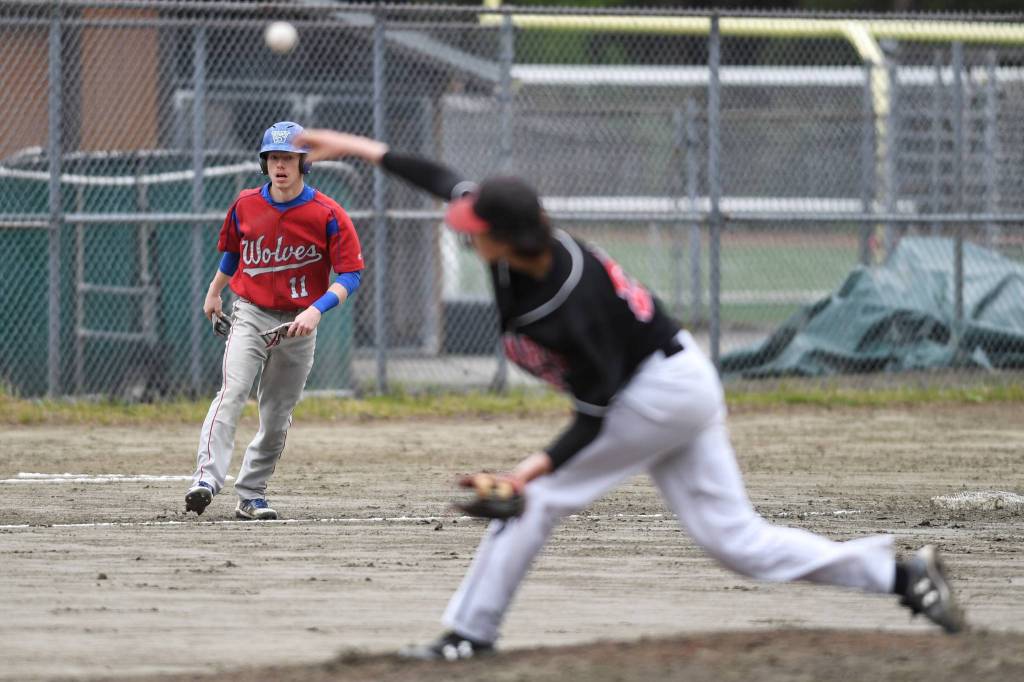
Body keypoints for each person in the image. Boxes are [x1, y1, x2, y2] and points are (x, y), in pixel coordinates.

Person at [295, 129, 965, 658]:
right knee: (738, 542)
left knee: (537, 500)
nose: (465, 232)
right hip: (676, 377)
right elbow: (441, 179)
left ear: (507, 236)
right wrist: (354, 148)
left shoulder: (569, 308)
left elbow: (593, 417)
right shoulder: (520, 246)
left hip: (657, 393)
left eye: (477, 231)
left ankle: (469, 633)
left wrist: (524, 472)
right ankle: (904, 578)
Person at [184, 121, 364, 521]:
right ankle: (205, 480)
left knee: (277, 413)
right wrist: (214, 291)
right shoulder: (246, 204)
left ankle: (250, 494)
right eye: (273, 158)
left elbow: (351, 274)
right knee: (232, 392)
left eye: (289, 158)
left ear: (304, 164)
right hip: (250, 311)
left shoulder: (327, 213)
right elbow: (232, 253)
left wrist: (316, 309)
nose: (280, 165)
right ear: (264, 164)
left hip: (298, 323)